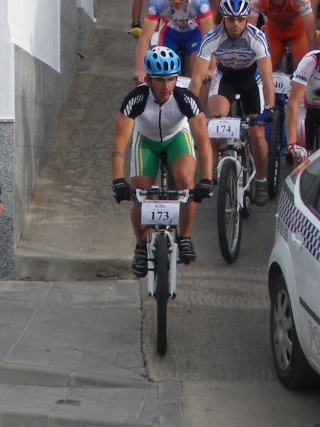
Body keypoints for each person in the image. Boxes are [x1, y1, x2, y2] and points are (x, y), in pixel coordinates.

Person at [111, 46, 213, 278]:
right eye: (160, 80)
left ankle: (185, 237)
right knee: (141, 195)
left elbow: (203, 141)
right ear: (148, 80)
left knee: (186, 183)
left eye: (171, 79)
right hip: (145, 140)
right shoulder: (135, 99)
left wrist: (207, 180)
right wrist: (118, 180)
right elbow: (118, 146)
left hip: (177, 136)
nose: (166, 86)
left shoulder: (185, 98)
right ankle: (140, 246)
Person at [189, 0, 275, 206]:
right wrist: (191, 111)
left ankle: (261, 180)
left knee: (256, 133)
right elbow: (196, 80)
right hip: (225, 78)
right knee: (216, 126)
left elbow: (267, 79)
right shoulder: (212, 37)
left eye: (241, 19)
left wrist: (269, 109)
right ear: (223, 19)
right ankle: (209, 176)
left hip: (250, 81)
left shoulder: (256, 37)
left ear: (246, 19)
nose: (236, 24)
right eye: (231, 19)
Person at [134, 0, 215, 85]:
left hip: (194, 33)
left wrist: (211, 68)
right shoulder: (158, 3)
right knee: (161, 66)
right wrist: (139, 69)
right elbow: (145, 38)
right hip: (170, 34)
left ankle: (196, 98)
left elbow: (210, 37)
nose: (177, 1)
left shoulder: (199, 2)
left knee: (199, 69)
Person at [247, 0, 318, 71]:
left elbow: (311, 34)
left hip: (298, 31)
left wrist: (315, 60)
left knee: (302, 66)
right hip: (274, 31)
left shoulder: (301, 1)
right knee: (269, 65)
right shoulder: (257, 1)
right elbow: (249, 33)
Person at [285, 50, 320, 166]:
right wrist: (292, 144)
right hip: (304, 107)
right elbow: (293, 104)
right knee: (301, 155)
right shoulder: (311, 62)